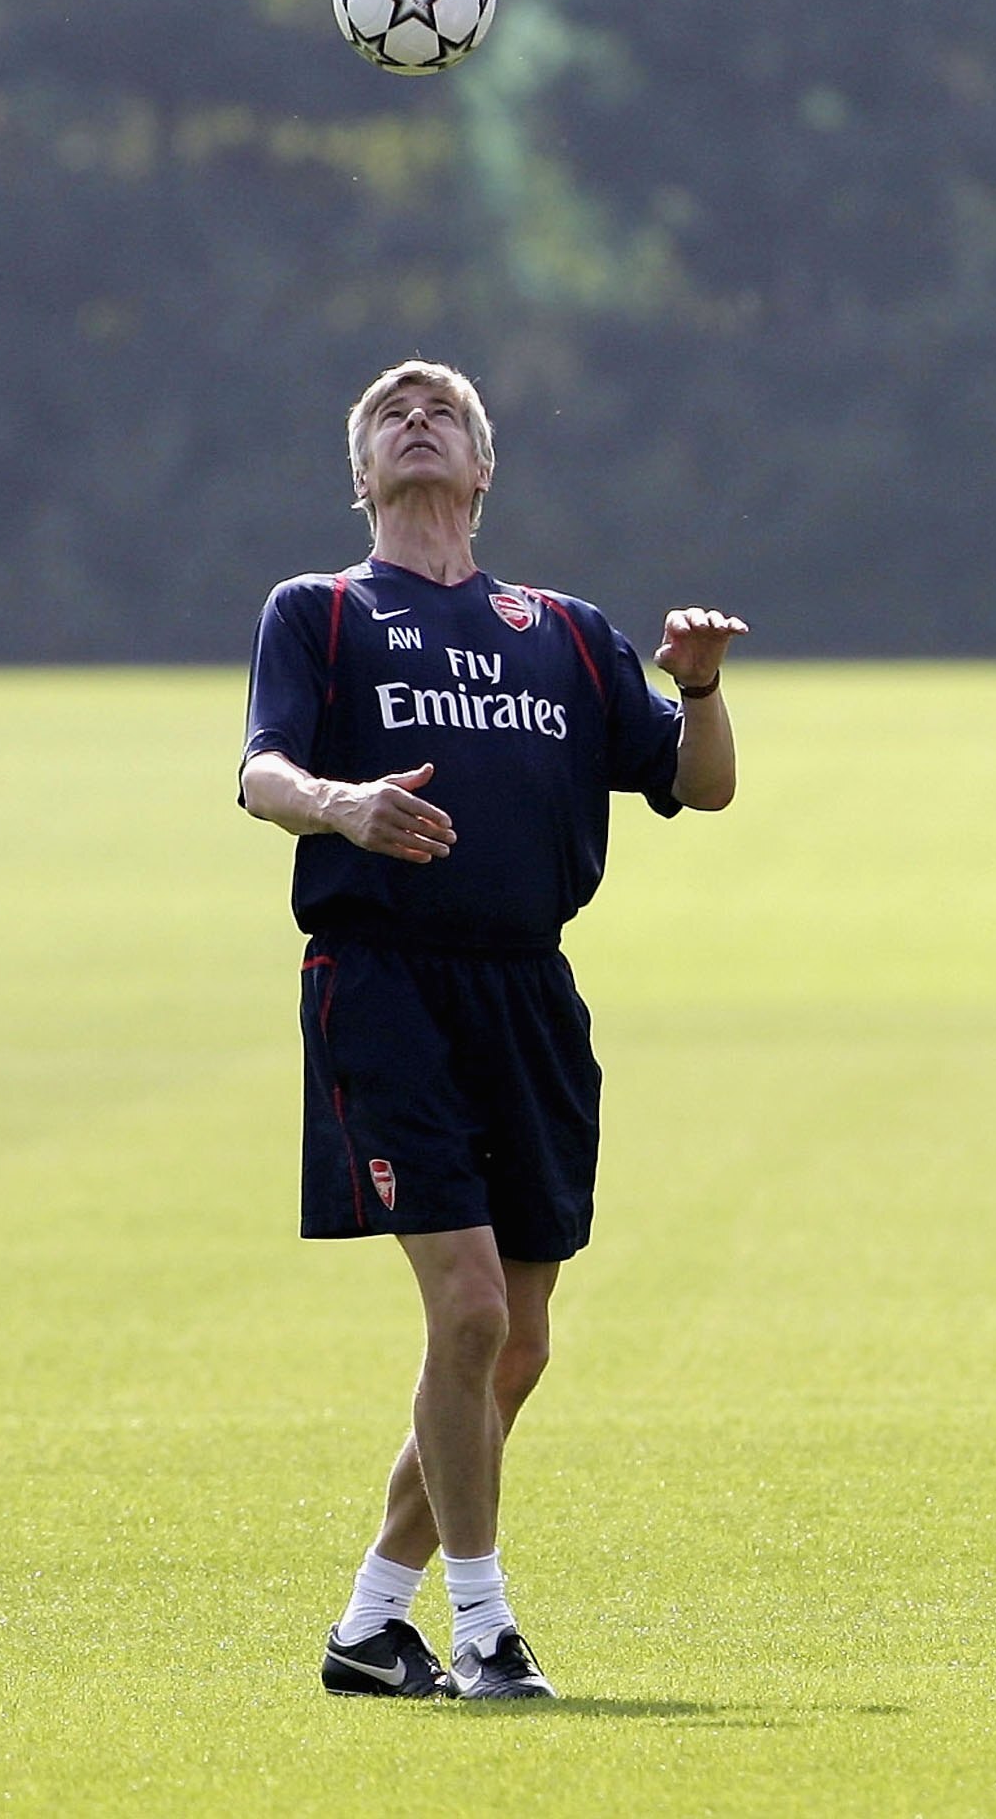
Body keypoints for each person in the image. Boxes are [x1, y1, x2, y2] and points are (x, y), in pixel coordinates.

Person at [239, 360, 747, 1701]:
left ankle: (370, 1622)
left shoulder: (565, 632)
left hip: (528, 992)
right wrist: (341, 806)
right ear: (361, 475)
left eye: (444, 414)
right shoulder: (322, 613)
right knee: (465, 1309)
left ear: (483, 470)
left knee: (515, 1347)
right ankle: (485, 1630)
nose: (418, 423)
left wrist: (696, 688)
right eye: (390, 417)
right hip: (384, 981)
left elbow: (701, 788)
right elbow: (261, 771)